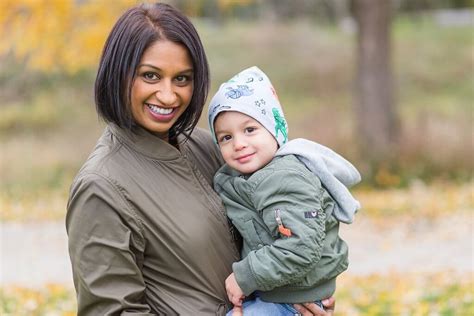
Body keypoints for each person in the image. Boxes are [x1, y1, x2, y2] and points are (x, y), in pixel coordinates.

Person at [66, 2, 335, 315]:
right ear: (118, 74)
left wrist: (301, 295)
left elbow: (285, 222)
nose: (169, 96)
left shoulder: (209, 146)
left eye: (182, 79)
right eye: (151, 76)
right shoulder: (101, 186)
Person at [208, 66, 361, 315]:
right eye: (225, 137)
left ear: (274, 129)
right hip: (278, 292)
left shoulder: (285, 178)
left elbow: (301, 246)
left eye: (250, 130)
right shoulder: (248, 177)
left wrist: (244, 276)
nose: (239, 144)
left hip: (290, 300)